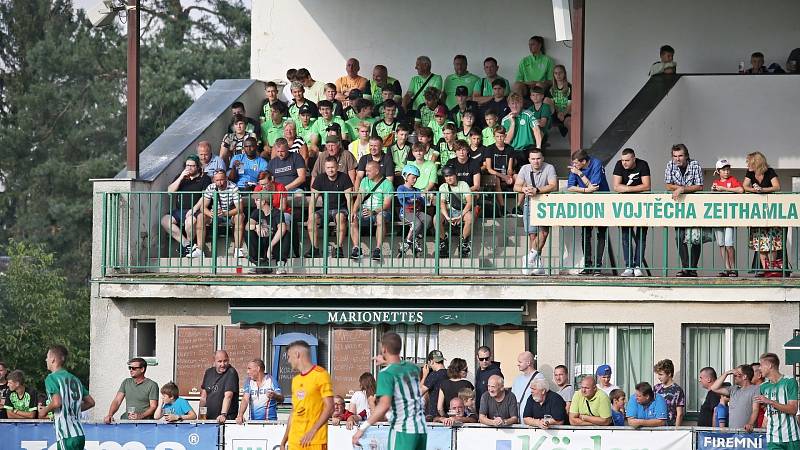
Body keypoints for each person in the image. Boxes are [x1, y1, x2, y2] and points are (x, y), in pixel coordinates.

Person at [351, 332, 427, 450]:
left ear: (384, 349)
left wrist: (362, 428)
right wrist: (387, 361)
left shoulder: (386, 373)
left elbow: (384, 405)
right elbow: (401, 367)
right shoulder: (413, 368)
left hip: (403, 429)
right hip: (421, 429)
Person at [38, 345, 95, 450]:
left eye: (47, 356)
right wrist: (73, 408)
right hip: (79, 434)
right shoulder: (75, 379)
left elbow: (56, 402)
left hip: (66, 435)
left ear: (53, 359)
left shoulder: (51, 378)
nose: (46, 359)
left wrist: (44, 411)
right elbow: (91, 402)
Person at [281, 340, 334, 450]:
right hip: (295, 441)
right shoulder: (296, 380)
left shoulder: (321, 375)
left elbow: (329, 407)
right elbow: (294, 412)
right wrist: (284, 440)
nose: (288, 360)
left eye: (289, 356)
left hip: (315, 441)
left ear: (297, 354)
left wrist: (313, 430)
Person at [515, 148, 558, 275]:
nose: (536, 161)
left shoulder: (549, 168)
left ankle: (529, 258)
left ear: (542, 158)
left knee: (544, 233)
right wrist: (525, 189)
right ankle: (536, 263)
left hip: (545, 203)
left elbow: (553, 185)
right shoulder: (524, 168)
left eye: (538, 158)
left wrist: (537, 190)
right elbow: (516, 186)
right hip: (530, 203)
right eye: (533, 159)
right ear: (529, 160)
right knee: (532, 235)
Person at [568, 150, 610, 275]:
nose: (574, 165)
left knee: (601, 234)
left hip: (602, 201)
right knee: (586, 233)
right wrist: (587, 190)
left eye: (576, 163)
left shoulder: (596, 163)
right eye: (573, 163)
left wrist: (580, 174)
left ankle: (598, 266)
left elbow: (595, 186)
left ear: (584, 162)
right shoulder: (576, 168)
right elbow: (570, 187)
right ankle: (587, 266)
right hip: (586, 203)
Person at [664, 144, 704, 277]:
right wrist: (680, 188)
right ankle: (686, 267)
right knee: (679, 237)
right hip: (680, 207)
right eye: (675, 156)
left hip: (694, 207)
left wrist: (682, 189)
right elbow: (668, 184)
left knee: (695, 238)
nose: (677, 159)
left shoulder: (695, 165)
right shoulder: (670, 165)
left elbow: (699, 186)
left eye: (680, 156)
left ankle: (692, 268)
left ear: (686, 156)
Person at [744, 151, 785, 277]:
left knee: (772, 242)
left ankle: (773, 268)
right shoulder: (750, 173)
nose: (747, 165)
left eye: (749, 162)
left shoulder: (769, 171)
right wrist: (755, 191)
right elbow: (745, 186)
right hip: (758, 214)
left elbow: (777, 187)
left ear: (756, 163)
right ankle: (766, 269)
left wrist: (763, 190)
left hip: (770, 212)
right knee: (760, 242)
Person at [612, 148, 652, 276]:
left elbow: (647, 186)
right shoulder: (619, 165)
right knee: (626, 236)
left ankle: (638, 266)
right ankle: (629, 266)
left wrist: (626, 189)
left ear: (634, 159)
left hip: (642, 205)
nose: (624, 163)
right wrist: (635, 189)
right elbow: (616, 186)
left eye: (627, 160)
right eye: (623, 160)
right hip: (625, 206)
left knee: (641, 237)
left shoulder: (643, 164)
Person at [162, 155, 211, 257]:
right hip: (180, 210)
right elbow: (170, 191)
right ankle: (187, 244)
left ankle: (189, 246)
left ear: (198, 167)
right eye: (187, 165)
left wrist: (194, 209)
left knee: (190, 221)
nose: (189, 168)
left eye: (192, 166)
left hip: (196, 210)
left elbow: (205, 196)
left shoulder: (205, 178)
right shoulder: (181, 177)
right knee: (165, 221)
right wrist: (180, 177)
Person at [307, 156, 354, 258]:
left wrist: (351, 214)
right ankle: (314, 248)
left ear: (337, 167)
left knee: (340, 217)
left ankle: (339, 248)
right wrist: (310, 215)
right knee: (312, 219)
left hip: (340, 209)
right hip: (325, 209)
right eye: (328, 168)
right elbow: (313, 200)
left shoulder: (344, 177)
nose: (330, 170)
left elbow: (349, 198)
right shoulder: (320, 178)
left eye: (332, 167)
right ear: (325, 168)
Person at [191, 170, 245, 259]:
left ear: (226, 178)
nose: (220, 183)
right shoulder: (211, 187)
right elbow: (202, 207)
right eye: (217, 180)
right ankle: (200, 250)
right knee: (200, 216)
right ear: (213, 180)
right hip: (215, 214)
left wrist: (225, 213)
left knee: (240, 216)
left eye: (222, 180)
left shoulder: (233, 187)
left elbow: (239, 208)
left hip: (229, 214)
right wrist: (210, 213)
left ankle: (238, 250)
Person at [349, 160, 393, 261]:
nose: (366, 173)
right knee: (352, 218)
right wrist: (354, 211)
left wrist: (373, 212)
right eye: (366, 171)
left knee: (380, 217)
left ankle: (378, 249)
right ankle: (356, 248)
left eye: (369, 171)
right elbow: (360, 197)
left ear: (377, 171)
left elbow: (386, 204)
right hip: (365, 211)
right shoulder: (364, 181)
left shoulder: (387, 184)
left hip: (381, 211)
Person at [755, 352, 800, 449]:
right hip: (773, 439)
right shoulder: (763, 387)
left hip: (792, 437)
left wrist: (770, 401)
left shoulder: (790, 381)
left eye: (761, 365)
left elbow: (793, 409)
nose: (759, 368)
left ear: (770, 366)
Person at [248, 181, 290, 274]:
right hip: (262, 242)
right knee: (249, 232)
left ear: (263, 202)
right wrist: (256, 227)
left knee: (286, 233)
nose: (255, 202)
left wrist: (270, 247)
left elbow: (282, 228)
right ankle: (255, 263)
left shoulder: (277, 213)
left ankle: (280, 264)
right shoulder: (256, 212)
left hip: (274, 244)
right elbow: (247, 226)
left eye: (257, 200)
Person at [711, 159, 744, 276]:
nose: (726, 172)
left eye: (728, 169)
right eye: (724, 170)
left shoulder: (732, 180)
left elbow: (741, 190)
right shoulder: (716, 182)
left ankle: (733, 268)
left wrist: (724, 189)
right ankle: (727, 268)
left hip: (730, 217)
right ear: (718, 171)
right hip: (718, 217)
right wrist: (714, 190)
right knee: (721, 244)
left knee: (729, 243)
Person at [103, 357, 158, 422]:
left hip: (144, 424)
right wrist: (110, 415)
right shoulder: (126, 382)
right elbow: (117, 401)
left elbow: (153, 406)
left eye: (134, 368)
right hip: (127, 422)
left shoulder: (152, 385)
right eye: (130, 368)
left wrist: (140, 416)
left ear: (142, 369)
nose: (131, 370)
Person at [396, 165, 432, 258]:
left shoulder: (417, 190)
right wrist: (417, 195)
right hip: (406, 212)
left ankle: (416, 238)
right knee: (417, 223)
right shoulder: (401, 188)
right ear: (405, 176)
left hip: (417, 212)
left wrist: (427, 197)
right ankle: (407, 242)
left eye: (416, 178)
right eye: (413, 177)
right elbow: (401, 198)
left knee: (428, 219)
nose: (415, 180)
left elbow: (424, 202)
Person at [439, 166, 474, 258]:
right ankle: (443, 241)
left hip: (462, 210)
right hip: (448, 211)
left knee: (469, 218)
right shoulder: (443, 187)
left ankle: (464, 242)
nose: (448, 178)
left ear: (455, 175)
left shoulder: (463, 184)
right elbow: (442, 203)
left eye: (450, 175)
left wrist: (460, 216)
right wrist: (447, 217)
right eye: (446, 176)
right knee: (436, 219)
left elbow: (469, 202)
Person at [709, 365, 758, 430]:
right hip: (733, 433)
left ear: (744, 376)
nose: (734, 376)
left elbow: (755, 409)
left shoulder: (755, 389)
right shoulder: (733, 389)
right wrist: (726, 373)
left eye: (736, 374)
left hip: (747, 433)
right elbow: (714, 388)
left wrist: (750, 423)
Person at [200, 350, 239, 424]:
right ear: (214, 361)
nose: (223, 364)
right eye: (219, 361)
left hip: (225, 420)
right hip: (208, 420)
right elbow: (203, 397)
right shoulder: (208, 372)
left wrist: (223, 414)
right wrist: (201, 416)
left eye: (225, 361)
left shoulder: (231, 372)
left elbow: (228, 396)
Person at [237, 358, 283, 423]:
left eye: (249, 369)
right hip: (253, 423)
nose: (247, 372)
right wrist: (240, 415)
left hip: (269, 423)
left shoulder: (271, 380)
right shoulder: (249, 381)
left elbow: (281, 398)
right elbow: (245, 399)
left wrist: (275, 396)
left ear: (258, 368)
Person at [653, 358, 685, 426]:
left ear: (669, 374)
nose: (658, 377)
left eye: (661, 374)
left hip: (670, 428)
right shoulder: (656, 388)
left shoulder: (677, 390)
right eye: (658, 374)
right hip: (656, 427)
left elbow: (680, 413)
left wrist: (676, 431)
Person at [420, 349, 448, 420]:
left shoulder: (434, 375)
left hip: (435, 416)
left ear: (431, 361)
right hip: (447, 414)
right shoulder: (450, 373)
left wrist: (424, 375)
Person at [546, 64, 572, 138]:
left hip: (566, 113)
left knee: (571, 124)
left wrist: (563, 114)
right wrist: (558, 113)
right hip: (554, 113)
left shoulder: (570, 87)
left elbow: (570, 104)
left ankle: (574, 149)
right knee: (546, 100)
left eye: (560, 73)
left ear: (564, 74)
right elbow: (550, 103)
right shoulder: (550, 88)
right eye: (556, 73)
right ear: (553, 75)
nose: (558, 75)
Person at [475, 346, 503, 411]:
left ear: (490, 357)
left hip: (491, 410)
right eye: (481, 359)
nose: (484, 361)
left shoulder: (495, 372)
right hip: (480, 408)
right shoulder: (479, 371)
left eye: (486, 358)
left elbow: (499, 392)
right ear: (477, 358)